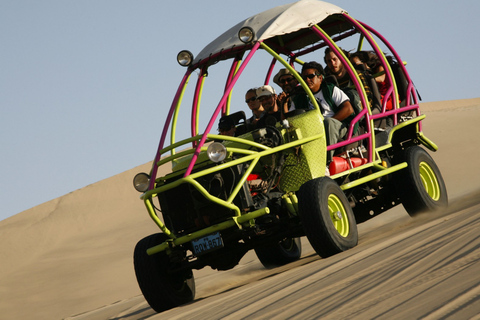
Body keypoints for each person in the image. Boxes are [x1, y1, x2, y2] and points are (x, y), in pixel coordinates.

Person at [301, 61, 355, 160]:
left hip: (336, 126)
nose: (307, 80)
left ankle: (326, 161)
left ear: (320, 78)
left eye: (311, 76)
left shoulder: (330, 89)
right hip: (312, 129)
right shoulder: (299, 97)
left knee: (329, 122)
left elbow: (348, 109)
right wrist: (284, 104)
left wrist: (323, 125)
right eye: (304, 78)